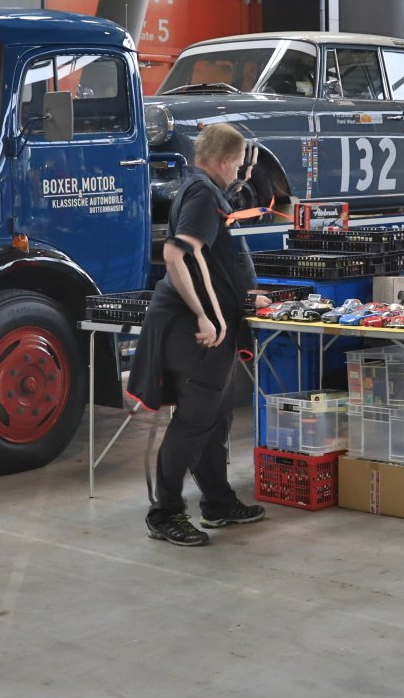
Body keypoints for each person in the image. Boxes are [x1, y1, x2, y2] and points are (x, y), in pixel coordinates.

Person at [129, 123, 269, 547]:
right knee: (193, 421)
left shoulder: (203, 190)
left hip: (209, 324)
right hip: (193, 330)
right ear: (225, 161)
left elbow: (208, 257)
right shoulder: (203, 195)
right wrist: (204, 315)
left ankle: (218, 502)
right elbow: (176, 255)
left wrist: (244, 292)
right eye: (238, 165)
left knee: (214, 417)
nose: (240, 172)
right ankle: (164, 513)